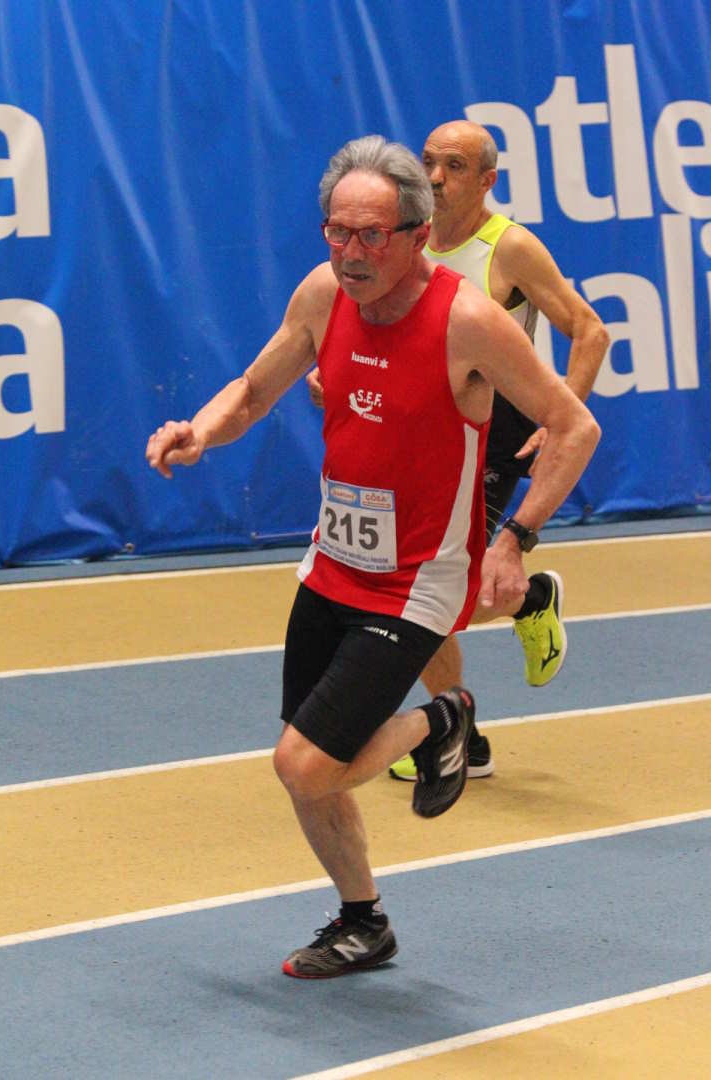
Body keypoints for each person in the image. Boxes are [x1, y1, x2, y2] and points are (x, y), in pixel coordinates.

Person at [146, 135, 600, 979]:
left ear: (417, 238)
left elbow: (576, 426)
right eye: (337, 232)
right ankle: (364, 921)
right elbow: (252, 390)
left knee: (304, 763)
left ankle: (443, 718)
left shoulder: (469, 319)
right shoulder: (324, 294)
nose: (351, 254)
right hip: (333, 561)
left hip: (419, 581)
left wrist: (515, 537)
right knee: (305, 772)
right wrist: (198, 433)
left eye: (371, 236)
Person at [308, 120, 609, 783]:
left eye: (454, 166)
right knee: (408, 593)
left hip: (489, 436)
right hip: (412, 435)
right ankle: (477, 699)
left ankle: (462, 724)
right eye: (429, 163)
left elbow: (589, 330)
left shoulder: (511, 248)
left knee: (425, 598)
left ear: (486, 181)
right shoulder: (403, 242)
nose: (437, 177)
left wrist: (561, 416)